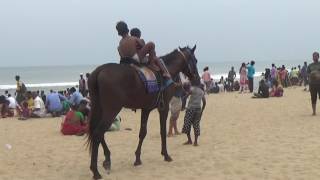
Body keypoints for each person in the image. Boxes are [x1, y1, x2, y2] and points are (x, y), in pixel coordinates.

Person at [182, 82, 206, 146]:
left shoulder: (193, 89)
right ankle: (195, 142)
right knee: (196, 125)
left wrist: (183, 106)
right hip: (198, 109)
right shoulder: (202, 92)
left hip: (190, 109)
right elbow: (204, 102)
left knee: (187, 124)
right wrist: (202, 110)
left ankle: (189, 140)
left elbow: (186, 96)